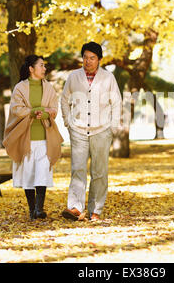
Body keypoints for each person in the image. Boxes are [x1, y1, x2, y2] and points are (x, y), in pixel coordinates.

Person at [60, 42, 122, 221]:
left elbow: (116, 102)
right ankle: (75, 208)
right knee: (77, 169)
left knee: (99, 171)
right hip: (78, 130)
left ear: (99, 60)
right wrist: (67, 122)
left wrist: (113, 126)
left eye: (92, 58)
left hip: (102, 130)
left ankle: (96, 210)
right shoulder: (74, 77)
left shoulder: (108, 78)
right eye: (85, 57)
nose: (88, 61)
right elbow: (65, 100)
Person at [3, 55, 63, 220]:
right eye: (41, 65)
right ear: (31, 68)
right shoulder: (20, 88)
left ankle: (39, 209)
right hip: (26, 138)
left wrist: (41, 112)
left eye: (45, 66)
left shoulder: (49, 88)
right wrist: (32, 112)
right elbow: (17, 109)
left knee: (42, 170)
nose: (44, 69)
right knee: (28, 173)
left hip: (45, 137)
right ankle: (31, 210)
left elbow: (54, 109)